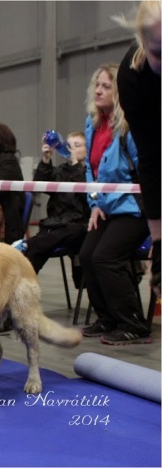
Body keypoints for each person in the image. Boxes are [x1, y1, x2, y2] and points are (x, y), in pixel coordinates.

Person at [77, 63, 151, 345]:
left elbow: (148, 166)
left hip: (136, 207)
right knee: (86, 255)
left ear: (119, 92)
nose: (98, 90)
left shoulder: (130, 124)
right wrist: (94, 202)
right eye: (97, 84)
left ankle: (133, 324)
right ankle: (107, 318)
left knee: (105, 258)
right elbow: (91, 170)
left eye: (106, 86)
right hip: (107, 206)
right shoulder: (92, 122)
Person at [116, 0, 161, 297]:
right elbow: (152, 158)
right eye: (159, 53)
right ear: (141, 40)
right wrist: (158, 240)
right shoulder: (133, 79)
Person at [23, 131, 89, 283]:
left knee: (37, 244)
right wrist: (46, 159)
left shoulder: (91, 171)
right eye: (69, 145)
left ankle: (28, 243)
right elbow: (39, 185)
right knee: (34, 252)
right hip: (55, 225)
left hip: (79, 226)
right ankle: (22, 288)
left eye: (77, 145)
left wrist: (74, 164)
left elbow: (86, 195)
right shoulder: (61, 171)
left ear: (88, 149)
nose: (71, 148)